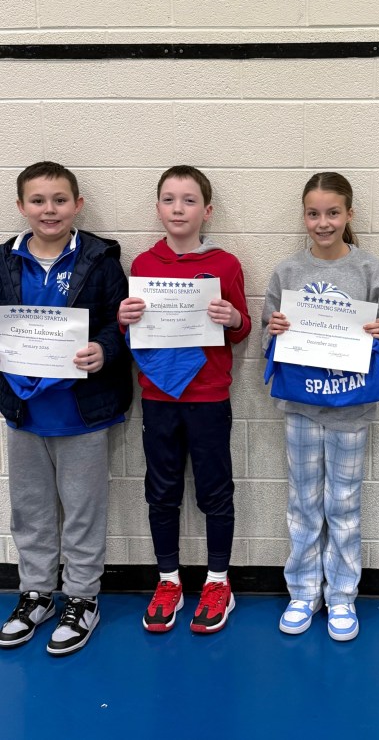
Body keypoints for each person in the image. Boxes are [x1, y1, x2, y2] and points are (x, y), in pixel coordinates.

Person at [262, 172, 379, 641]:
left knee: (343, 505)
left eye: (333, 213)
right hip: (301, 406)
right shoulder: (287, 271)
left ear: (349, 215)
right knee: (304, 505)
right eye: (314, 213)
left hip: (351, 408)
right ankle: (303, 592)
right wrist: (276, 330)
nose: (323, 222)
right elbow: (268, 333)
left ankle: (341, 596)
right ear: (304, 216)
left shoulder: (368, 270)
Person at [0, 161, 132, 656]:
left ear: (77, 205)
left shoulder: (99, 259)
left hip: (82, 411)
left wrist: (105, 350)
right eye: (38, 201)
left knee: (82, 510)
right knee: (30, 511)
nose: (48, 210)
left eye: (59, 200)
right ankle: (35, 592)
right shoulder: (5, 261)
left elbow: (120, 325)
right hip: (24, 410)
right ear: (21, 208)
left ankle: (82, 597)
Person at [118, 165, 250, 635]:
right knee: (162, 490)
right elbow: (132, 332)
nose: (179, 208)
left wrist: (233, 316)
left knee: (215, 489)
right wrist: (124, 318)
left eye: (189, 200)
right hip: (157, 395)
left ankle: (218, 581)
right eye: (170, 199)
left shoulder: (226, 265)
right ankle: (168, 579)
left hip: (209, 395)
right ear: (157, 208)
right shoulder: (143, 265)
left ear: (207, 211)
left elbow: (242, 329)